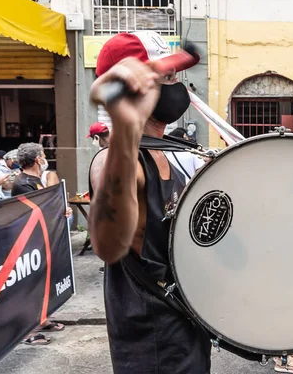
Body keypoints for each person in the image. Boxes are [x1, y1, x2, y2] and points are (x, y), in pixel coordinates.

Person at [88, 31, 211, 373]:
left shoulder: (166, 150)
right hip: (152, 344)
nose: (178, 86)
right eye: (168, 77)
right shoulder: (115, 161)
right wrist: (126, 126)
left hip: (184, 325)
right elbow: (109, 242)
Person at [12, 142, 71, 345]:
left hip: (41, 239)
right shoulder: (23, 182)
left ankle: (42, 319)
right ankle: (27, 332)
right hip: (28, 242)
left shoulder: (34, 180)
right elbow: (35, 212)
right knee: (29, 286)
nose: (45, 158)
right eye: (44, 154)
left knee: (41, 283)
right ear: (38, 159)